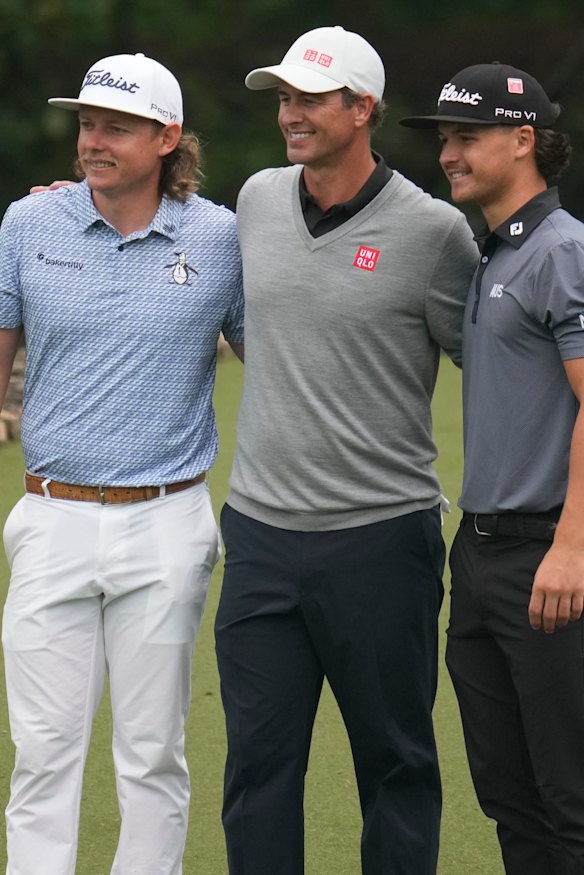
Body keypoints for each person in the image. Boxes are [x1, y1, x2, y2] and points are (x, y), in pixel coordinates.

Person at [213, 26, 478, 875]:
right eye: (284, 98)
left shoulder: (436, 233)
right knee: (257, 768)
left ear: (361, 109)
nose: (289, 114)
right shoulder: (255, 198)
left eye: (309, 99)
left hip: (382, 541)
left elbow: (498, 356)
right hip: (259, 537)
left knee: (396, 763)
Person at [0, 52, 243, 875]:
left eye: (117, 126)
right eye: (87, 124)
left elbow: (278, 361)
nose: (93, 141)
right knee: (42, 755)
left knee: (151, 754)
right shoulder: (27, 224)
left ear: (167, 137)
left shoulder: (222, 236)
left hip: (168, 519)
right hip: (51, 515)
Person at [401, 62, 584, 873]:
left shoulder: (563, 251)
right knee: (509, 795)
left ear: (524, 140)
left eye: (465, 137)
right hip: (480, 556)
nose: (449, 154)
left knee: (569, 798)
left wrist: (572, 548)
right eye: (444, 139)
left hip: (551, 554)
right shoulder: (491, 255)